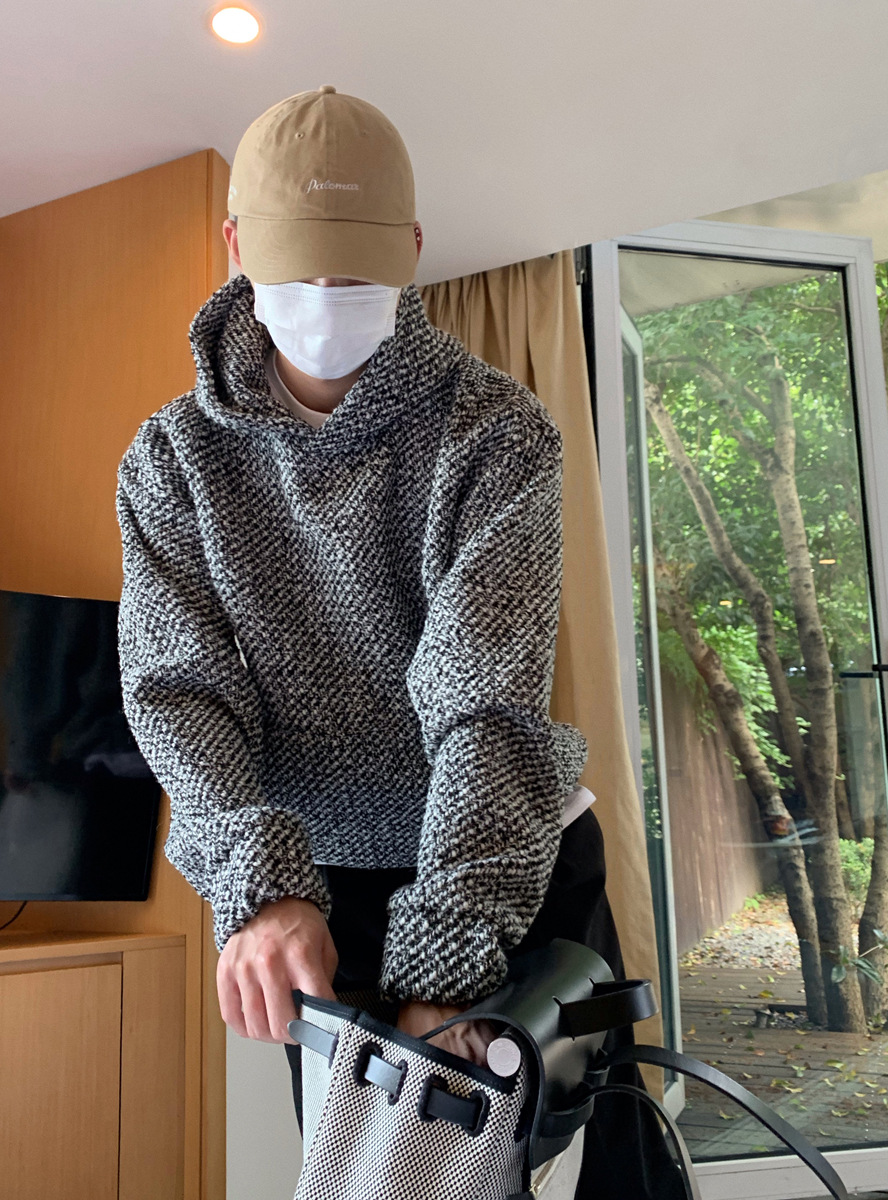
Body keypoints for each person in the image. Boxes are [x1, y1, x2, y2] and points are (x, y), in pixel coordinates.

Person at [115, 85, 684, 1198]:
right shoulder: (171, 461)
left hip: (501, 859)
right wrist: (260, 887)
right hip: (317, 891)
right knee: (369, 1179)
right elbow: (180, 693)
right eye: (302, 271)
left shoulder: (497, 432)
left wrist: (449, 958)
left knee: (595, 1167)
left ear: (413, 250)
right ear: (236, 247)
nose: (328, 300)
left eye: (358, 274)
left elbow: (485, 702)